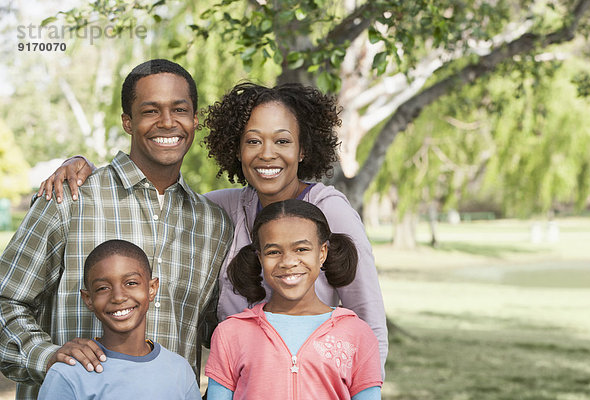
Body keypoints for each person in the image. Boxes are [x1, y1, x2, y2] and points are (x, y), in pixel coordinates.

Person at [36, 82, 388, 374]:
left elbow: (369, 323)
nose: (267, 154)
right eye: (253, 141)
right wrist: (83, 167)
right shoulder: (221, 209)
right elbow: (157, 202)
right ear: (236, 148)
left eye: (282, 141)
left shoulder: (329, 211)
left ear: (302, 150)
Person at [0, 59, 233, 399]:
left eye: (179, 109)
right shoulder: (71, 197)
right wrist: (47, 356)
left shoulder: (213, 223)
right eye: (151, 111)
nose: (167, 122)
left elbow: (219, 329)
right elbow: (6, 298)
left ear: (195, 120)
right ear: (128, 121)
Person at [205, 199, 382, 399]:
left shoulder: (357, 334)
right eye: (273, 252)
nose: (288, 262)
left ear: (322, 252)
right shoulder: (230, 333)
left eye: (301, 249)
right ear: (260, 257)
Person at [38, 240, 202, 399]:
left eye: (131, 283)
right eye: (103, 288)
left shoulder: (179, 370)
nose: (118, 297)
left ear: (152, 289)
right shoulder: (69, 374)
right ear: (88, 298)